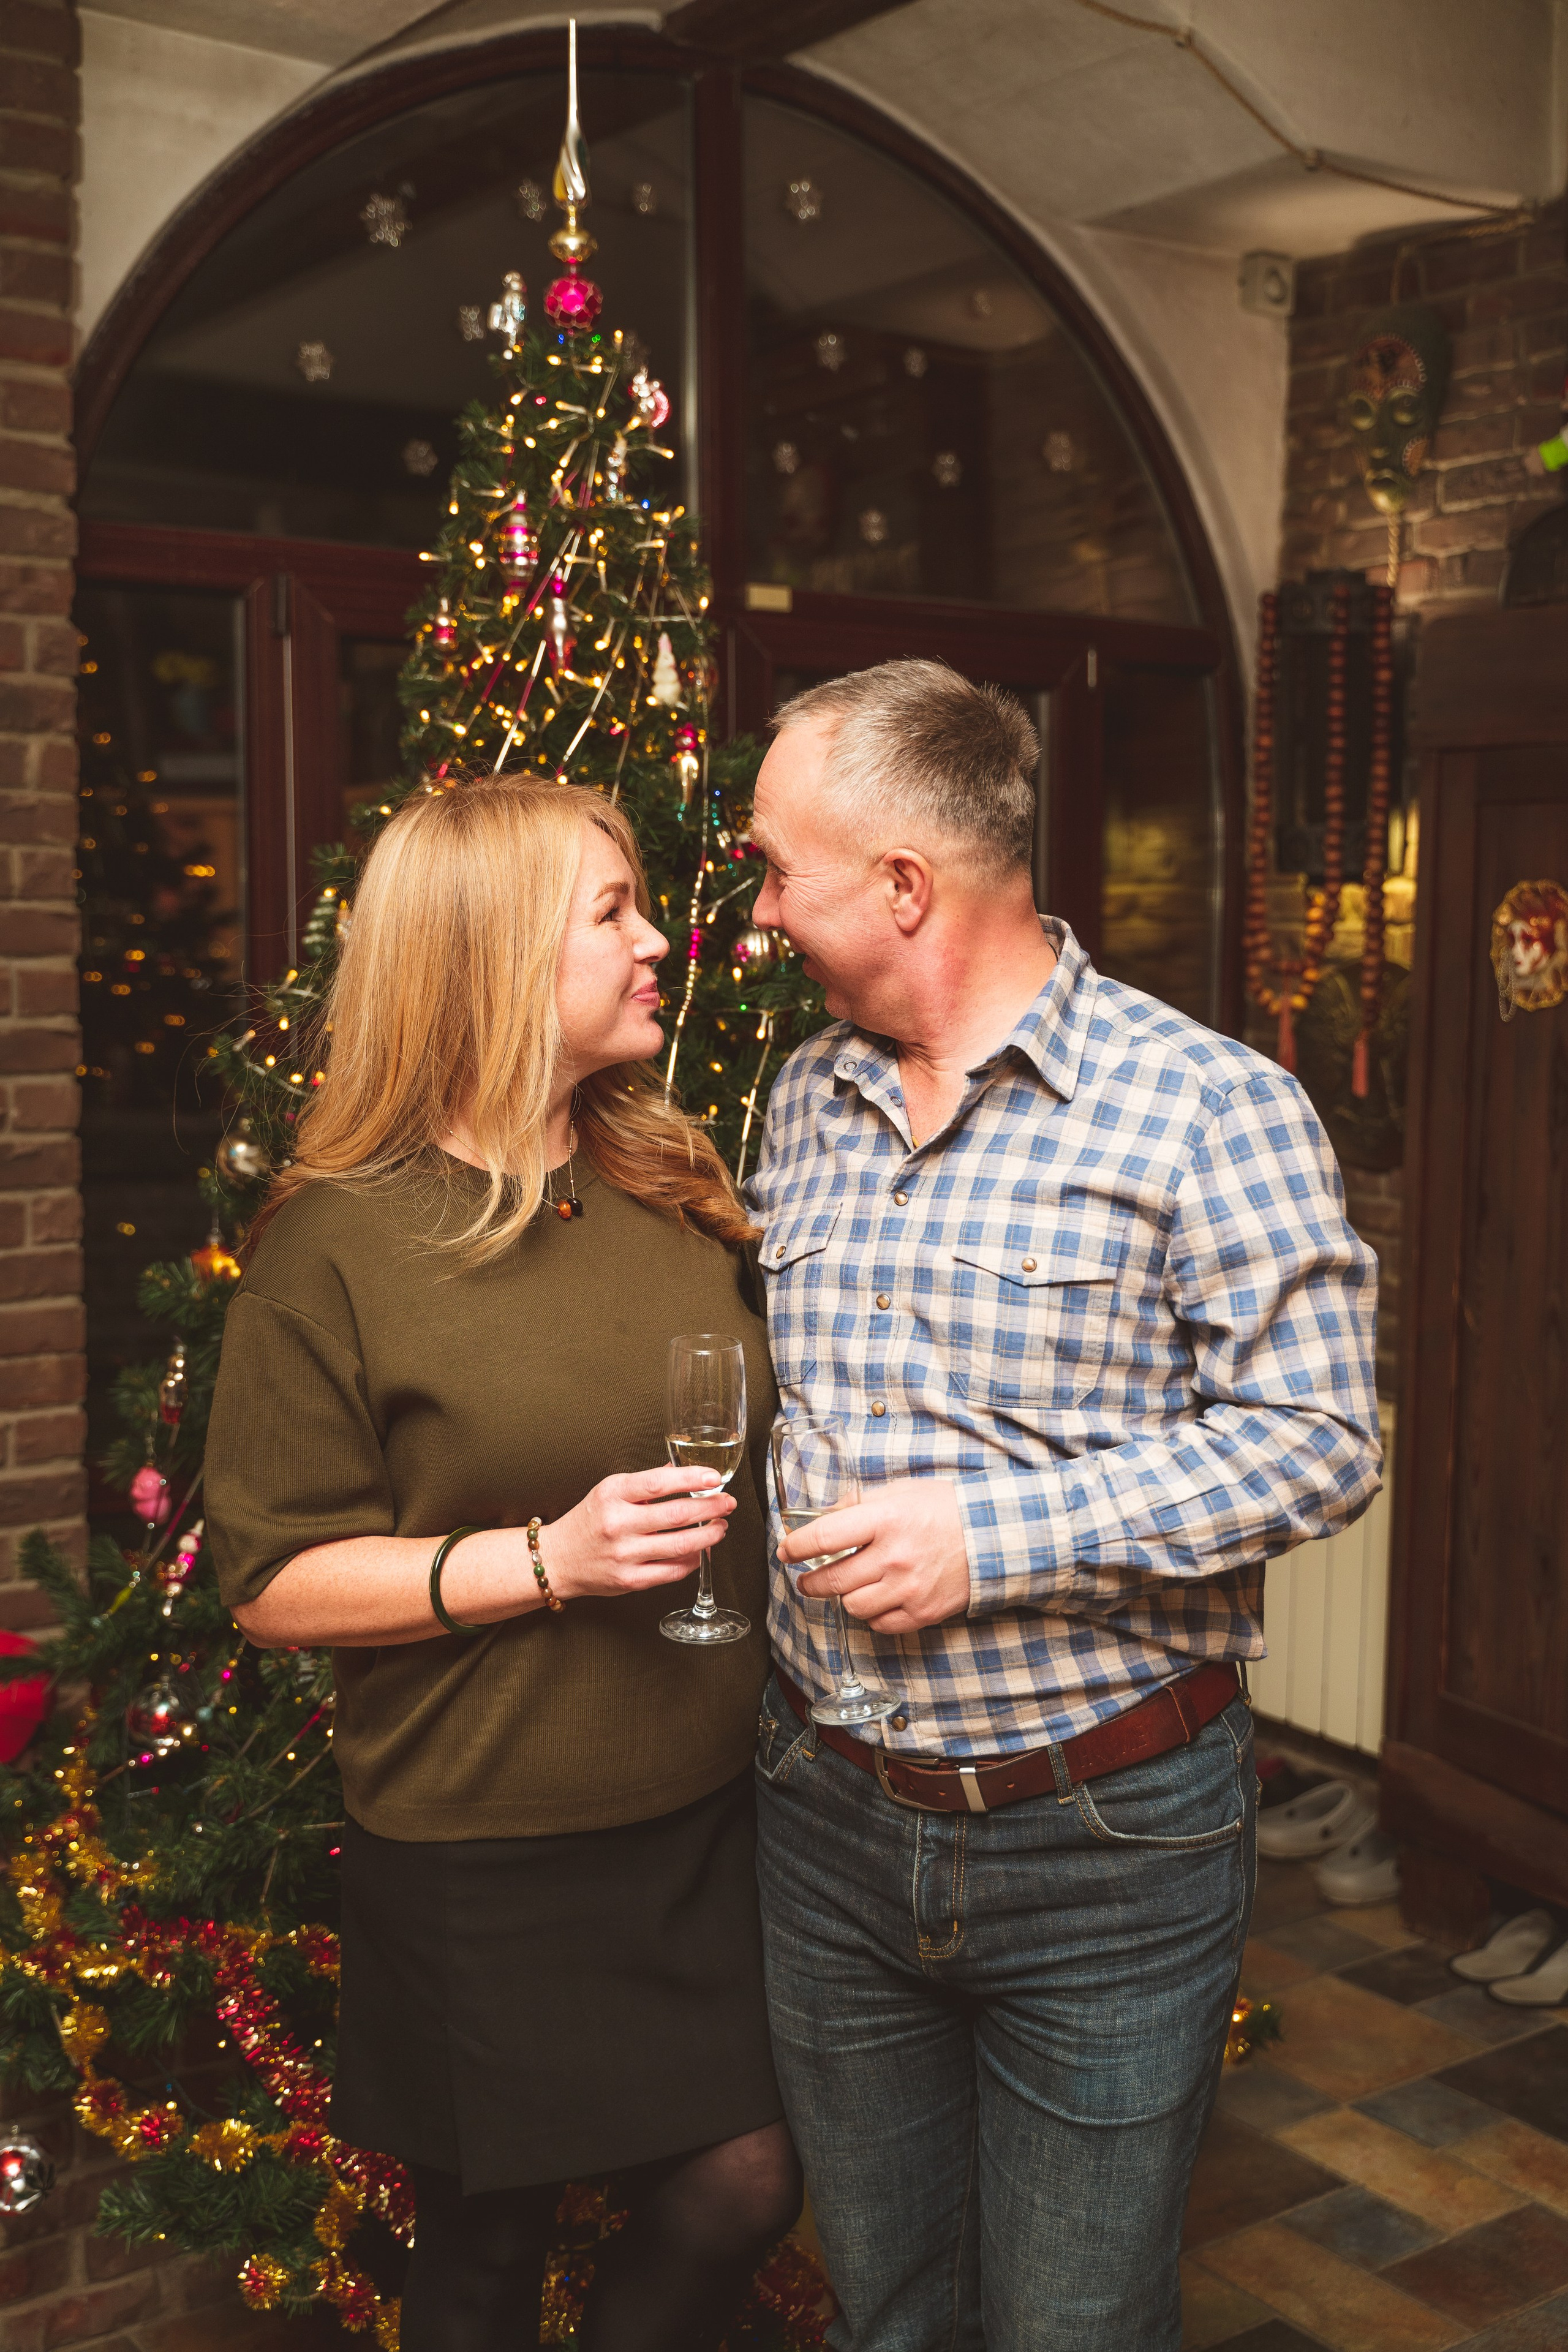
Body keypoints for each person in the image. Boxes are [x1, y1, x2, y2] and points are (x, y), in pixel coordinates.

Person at [743, 660, 1381, 2352]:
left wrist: (994, 1540)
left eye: (777, 870)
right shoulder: (804, 1094)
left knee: (1072, 2326)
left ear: (901, 885)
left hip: (1103, 1838)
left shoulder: (1211, 1109)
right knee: (885, 2310)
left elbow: (1320, 1441)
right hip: (823, 1813)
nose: (759, 913)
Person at [204, 775, 801, 2352]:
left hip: (703, 1823)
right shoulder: (335, 1243)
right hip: (483, 1845)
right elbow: (270, 1584)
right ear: (490, 952)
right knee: (483, 2248)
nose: (657, 940)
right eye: (611, 912)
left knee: (746, 2180)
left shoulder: (671, 1188)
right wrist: (546, 1561)